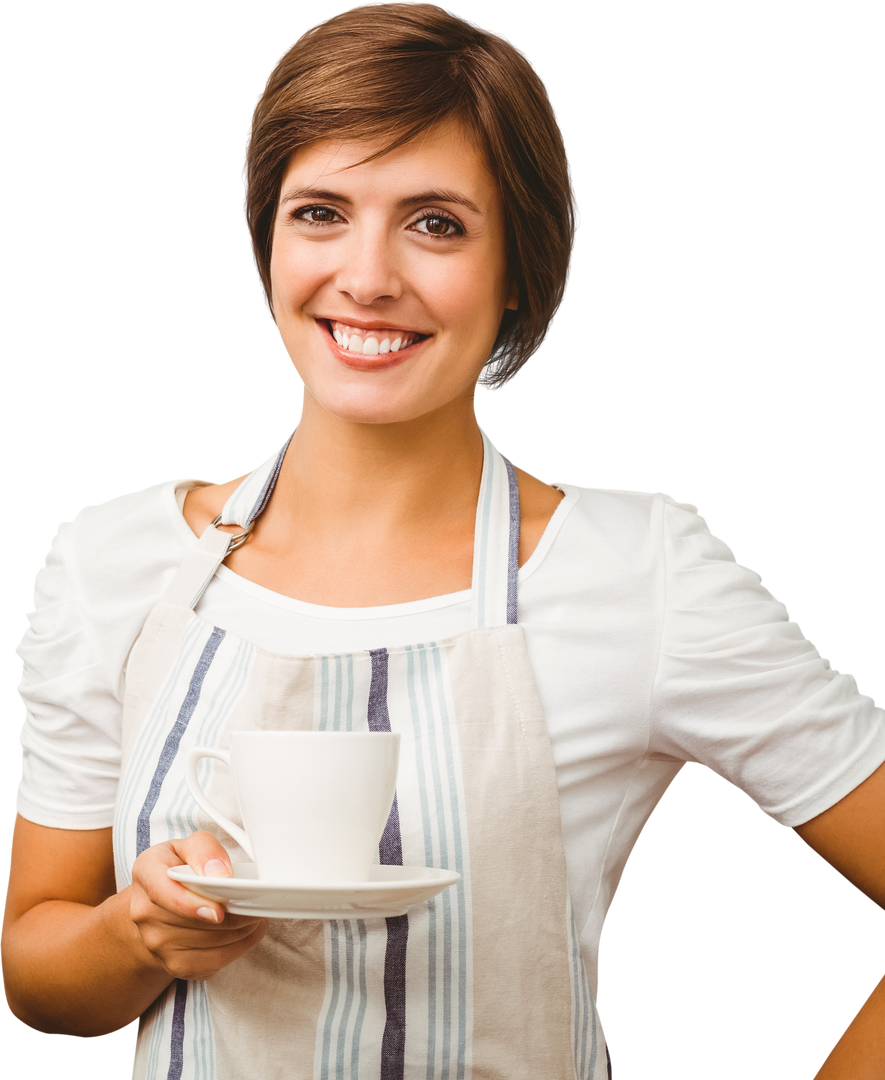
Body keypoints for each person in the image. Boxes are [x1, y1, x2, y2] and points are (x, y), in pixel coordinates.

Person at [2, 3, 883, 1078]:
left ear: (519, 269)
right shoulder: (115, 560)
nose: (367, 277)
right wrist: (133, 933)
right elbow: (37, 972)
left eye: (436, 223)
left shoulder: (638, 570)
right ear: (266, 241)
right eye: (321, 211)